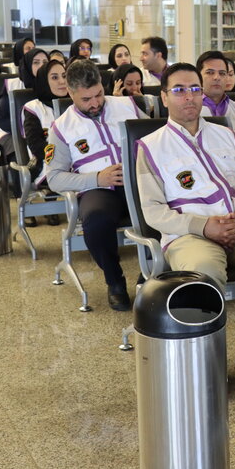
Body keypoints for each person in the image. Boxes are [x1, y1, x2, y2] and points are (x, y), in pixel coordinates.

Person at [136, 62, 235, 389]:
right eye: (179, 90)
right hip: (189, 235)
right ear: (164, 97)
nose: (189, 97)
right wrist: (204, 226)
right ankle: (206, 365)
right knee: (204, 277)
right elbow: (153, 212)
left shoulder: (226, 135)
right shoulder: (151, 146)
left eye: (195, 89)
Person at [44, 58, 148, 311]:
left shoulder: (128, 106)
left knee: (168, 208)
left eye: (99, 95)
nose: (95, 103)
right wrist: (97, 178)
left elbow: (157, 137)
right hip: (100, 189)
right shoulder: (61, 128)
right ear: (70, 93)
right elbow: (54, 178)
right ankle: (115, 281)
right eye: (86, 99)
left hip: (140, 182)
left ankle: (150, 275)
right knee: (96, 221)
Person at [21, 59, 67, 227]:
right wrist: (62, 158)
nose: (62, 81)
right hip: (47, 163)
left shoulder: (75, 103)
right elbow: (35, 144)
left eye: (64, 76)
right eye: (54, 77)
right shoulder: (33, 108)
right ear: (43, 81)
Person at [197, 50, 235, 124]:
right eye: (210, 72)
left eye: (222, 73)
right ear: (198, 76)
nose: (217, 77)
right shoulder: (189, 109)